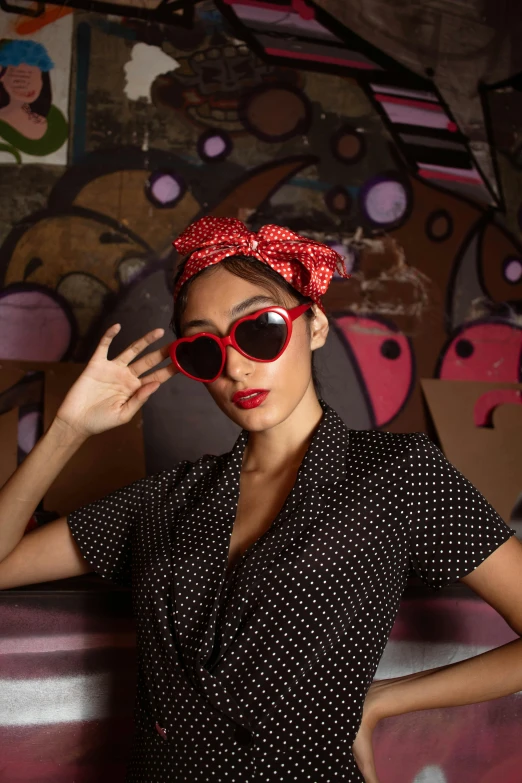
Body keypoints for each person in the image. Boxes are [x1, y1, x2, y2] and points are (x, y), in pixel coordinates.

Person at [0, 216, 521, 783]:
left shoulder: (398, 477)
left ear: (315, 325)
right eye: (204, 350)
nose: (236, 366)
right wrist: (68, 432)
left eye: (261, 329)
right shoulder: (165, 501)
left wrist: (381, 702)